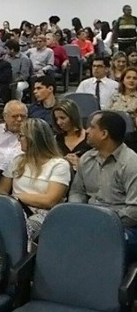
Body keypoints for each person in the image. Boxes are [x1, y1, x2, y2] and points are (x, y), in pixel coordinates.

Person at [69, 111, 137, 259]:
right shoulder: (86, 159)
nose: (87, 130)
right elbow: (77, 192)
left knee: (98, 242)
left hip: (123, 226)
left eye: (92, 127)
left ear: (104, 134)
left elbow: (134, 211)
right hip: (89, 219)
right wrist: (77, 212)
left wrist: (102, 221)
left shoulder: (131, 163)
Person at [0, 118, 70, 242]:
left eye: (21, 136)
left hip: (43, 214)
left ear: (33, 139)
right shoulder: (18, 161)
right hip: (15, 209)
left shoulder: (59, 165)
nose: (18, 140)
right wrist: (12, 202)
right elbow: (1, 190)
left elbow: (50, 200)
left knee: (16, 230)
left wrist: (17, 197)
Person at [52, 99, 90, 174]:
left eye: (62, 118)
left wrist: (80, 163)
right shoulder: (56, 140)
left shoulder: (89, 138)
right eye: (56, 119)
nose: (59, 122)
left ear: (73, 117)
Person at [0, 100, 27, 174]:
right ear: (5, 116)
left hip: (18, 172)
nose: (19, 119)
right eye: (15, 116)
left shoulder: (31, 135)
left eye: (22, 116)